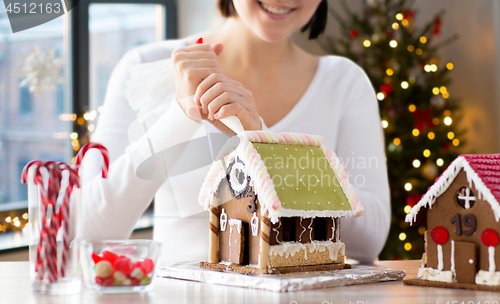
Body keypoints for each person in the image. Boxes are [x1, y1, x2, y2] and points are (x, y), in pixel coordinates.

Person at [80, 0, 391, 263]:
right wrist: (180, 117)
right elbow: (91, 230)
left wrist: (261, 144)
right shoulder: (147, 69)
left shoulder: (345, 82)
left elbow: (370, 239)